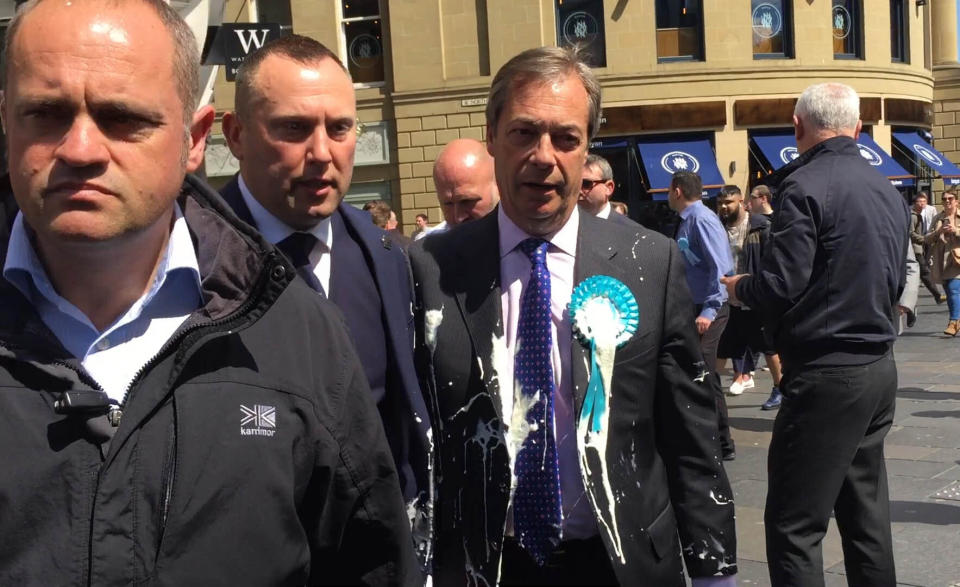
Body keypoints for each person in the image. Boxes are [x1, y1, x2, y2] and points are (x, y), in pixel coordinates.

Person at [0, 1, 418, 584]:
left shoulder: (296, 327)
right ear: (6, 122)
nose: (81, 149)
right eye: (46, 113)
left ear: (192, 140)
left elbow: (368, 558)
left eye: (122, 117)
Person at [410, 46, 737, 587]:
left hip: (621, 562)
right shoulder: (429, 267)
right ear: (491, 136)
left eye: (566, 138)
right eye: (523, 133)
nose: (544, 156)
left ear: (587, 148)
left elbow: (690, 431)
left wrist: (714, 568)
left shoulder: (650, 262)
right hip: (486, 564)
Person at [218, 34, 432, 558]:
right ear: (236, 134)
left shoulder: (390, 260)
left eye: (339, 128)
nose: (321, 152)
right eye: (293, 128)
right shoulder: (183, 260)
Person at [724, 82, 908, 587]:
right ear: (859, 129)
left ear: (798, 126)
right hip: (877, 366)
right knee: (865, 516)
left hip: (827, 370)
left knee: (794, 526)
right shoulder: (885, 188)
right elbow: (897, 276)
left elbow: (783, 282)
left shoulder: (803, 187)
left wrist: (741, 287)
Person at [668, 171, 736, 459]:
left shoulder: (701, 220)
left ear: (677, 190)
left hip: (711, 308)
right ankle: (713, 438)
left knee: (704, 374)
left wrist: (709, 311)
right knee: (701, 373)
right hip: (695, 306)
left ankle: (720, 442)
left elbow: (719, 268)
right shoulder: (690, 221)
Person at [715, 186, 783, 410]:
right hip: (728, 298)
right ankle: (709, 392)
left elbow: (772, 261)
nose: (725, 207)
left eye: (729, 202)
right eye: (721, 203)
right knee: (722, 347)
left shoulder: (760, 227)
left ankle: (781, 389)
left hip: (755, 296)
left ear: (742, 202)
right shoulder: (718, 228)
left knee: (769, 348)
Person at [420, 138, 499, 240]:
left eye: (466, 201)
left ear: (499, 187)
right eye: (448, 204)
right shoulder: (429, 252)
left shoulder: (523, 242)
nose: (458, 217)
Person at [925, 187, 960, 335]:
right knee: (950, 290)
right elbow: (927, 238)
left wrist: (956, 231)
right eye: (944, 199)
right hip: (943, 260)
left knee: (953, 289)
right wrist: (939, 231)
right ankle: (956, 321)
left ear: (956, 201)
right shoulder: (938, 218)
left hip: (957, 259)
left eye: (950, 199)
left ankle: (953, 321)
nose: (947, 202)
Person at [578, 153, 637, 226]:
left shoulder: (630, 231)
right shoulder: (561, 226)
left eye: (586, 184)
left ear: (608, 188)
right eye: (574, 184)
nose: (578, 190)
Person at [910, 193, 946, 303]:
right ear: (914, 203)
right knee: (925, 272)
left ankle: (937, 295)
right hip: (914, 248)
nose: (922, 204)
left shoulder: (918, 214)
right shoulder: (913, 216)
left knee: (922, 272)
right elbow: (910, 233)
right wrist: (923, 239)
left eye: (924, 202)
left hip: (920, 247)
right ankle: (938, 295)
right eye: (919, 202)